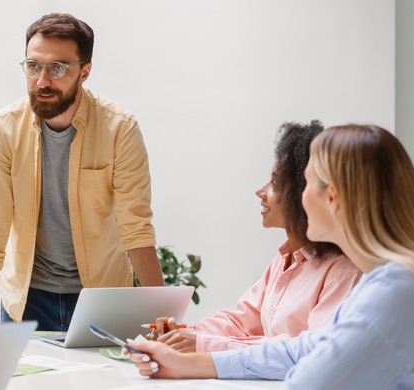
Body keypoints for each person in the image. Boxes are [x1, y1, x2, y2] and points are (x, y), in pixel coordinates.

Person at [129, 125, 414, 389]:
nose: (300, 198)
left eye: (308, 182)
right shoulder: (402, 276)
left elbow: (311, 381)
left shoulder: (400, 289)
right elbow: (307, 350)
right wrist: (190, 363)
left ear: (333, 197)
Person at [0, 13, 164, 331]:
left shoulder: (120, 128)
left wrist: (161, 315)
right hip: (26, 301)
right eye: (33, 66)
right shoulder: (5, 129)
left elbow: (136, 230)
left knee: (107, 383)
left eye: (58, 68)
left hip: (101, 299)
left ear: (85, 72)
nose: (42, 81)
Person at [147, 121, 362, 353]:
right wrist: (183, 335)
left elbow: (310, 351)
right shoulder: (282, 261)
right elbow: (240, 323)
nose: (261, 192)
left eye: (276, 182)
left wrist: (204, 344)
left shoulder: (343, 271)